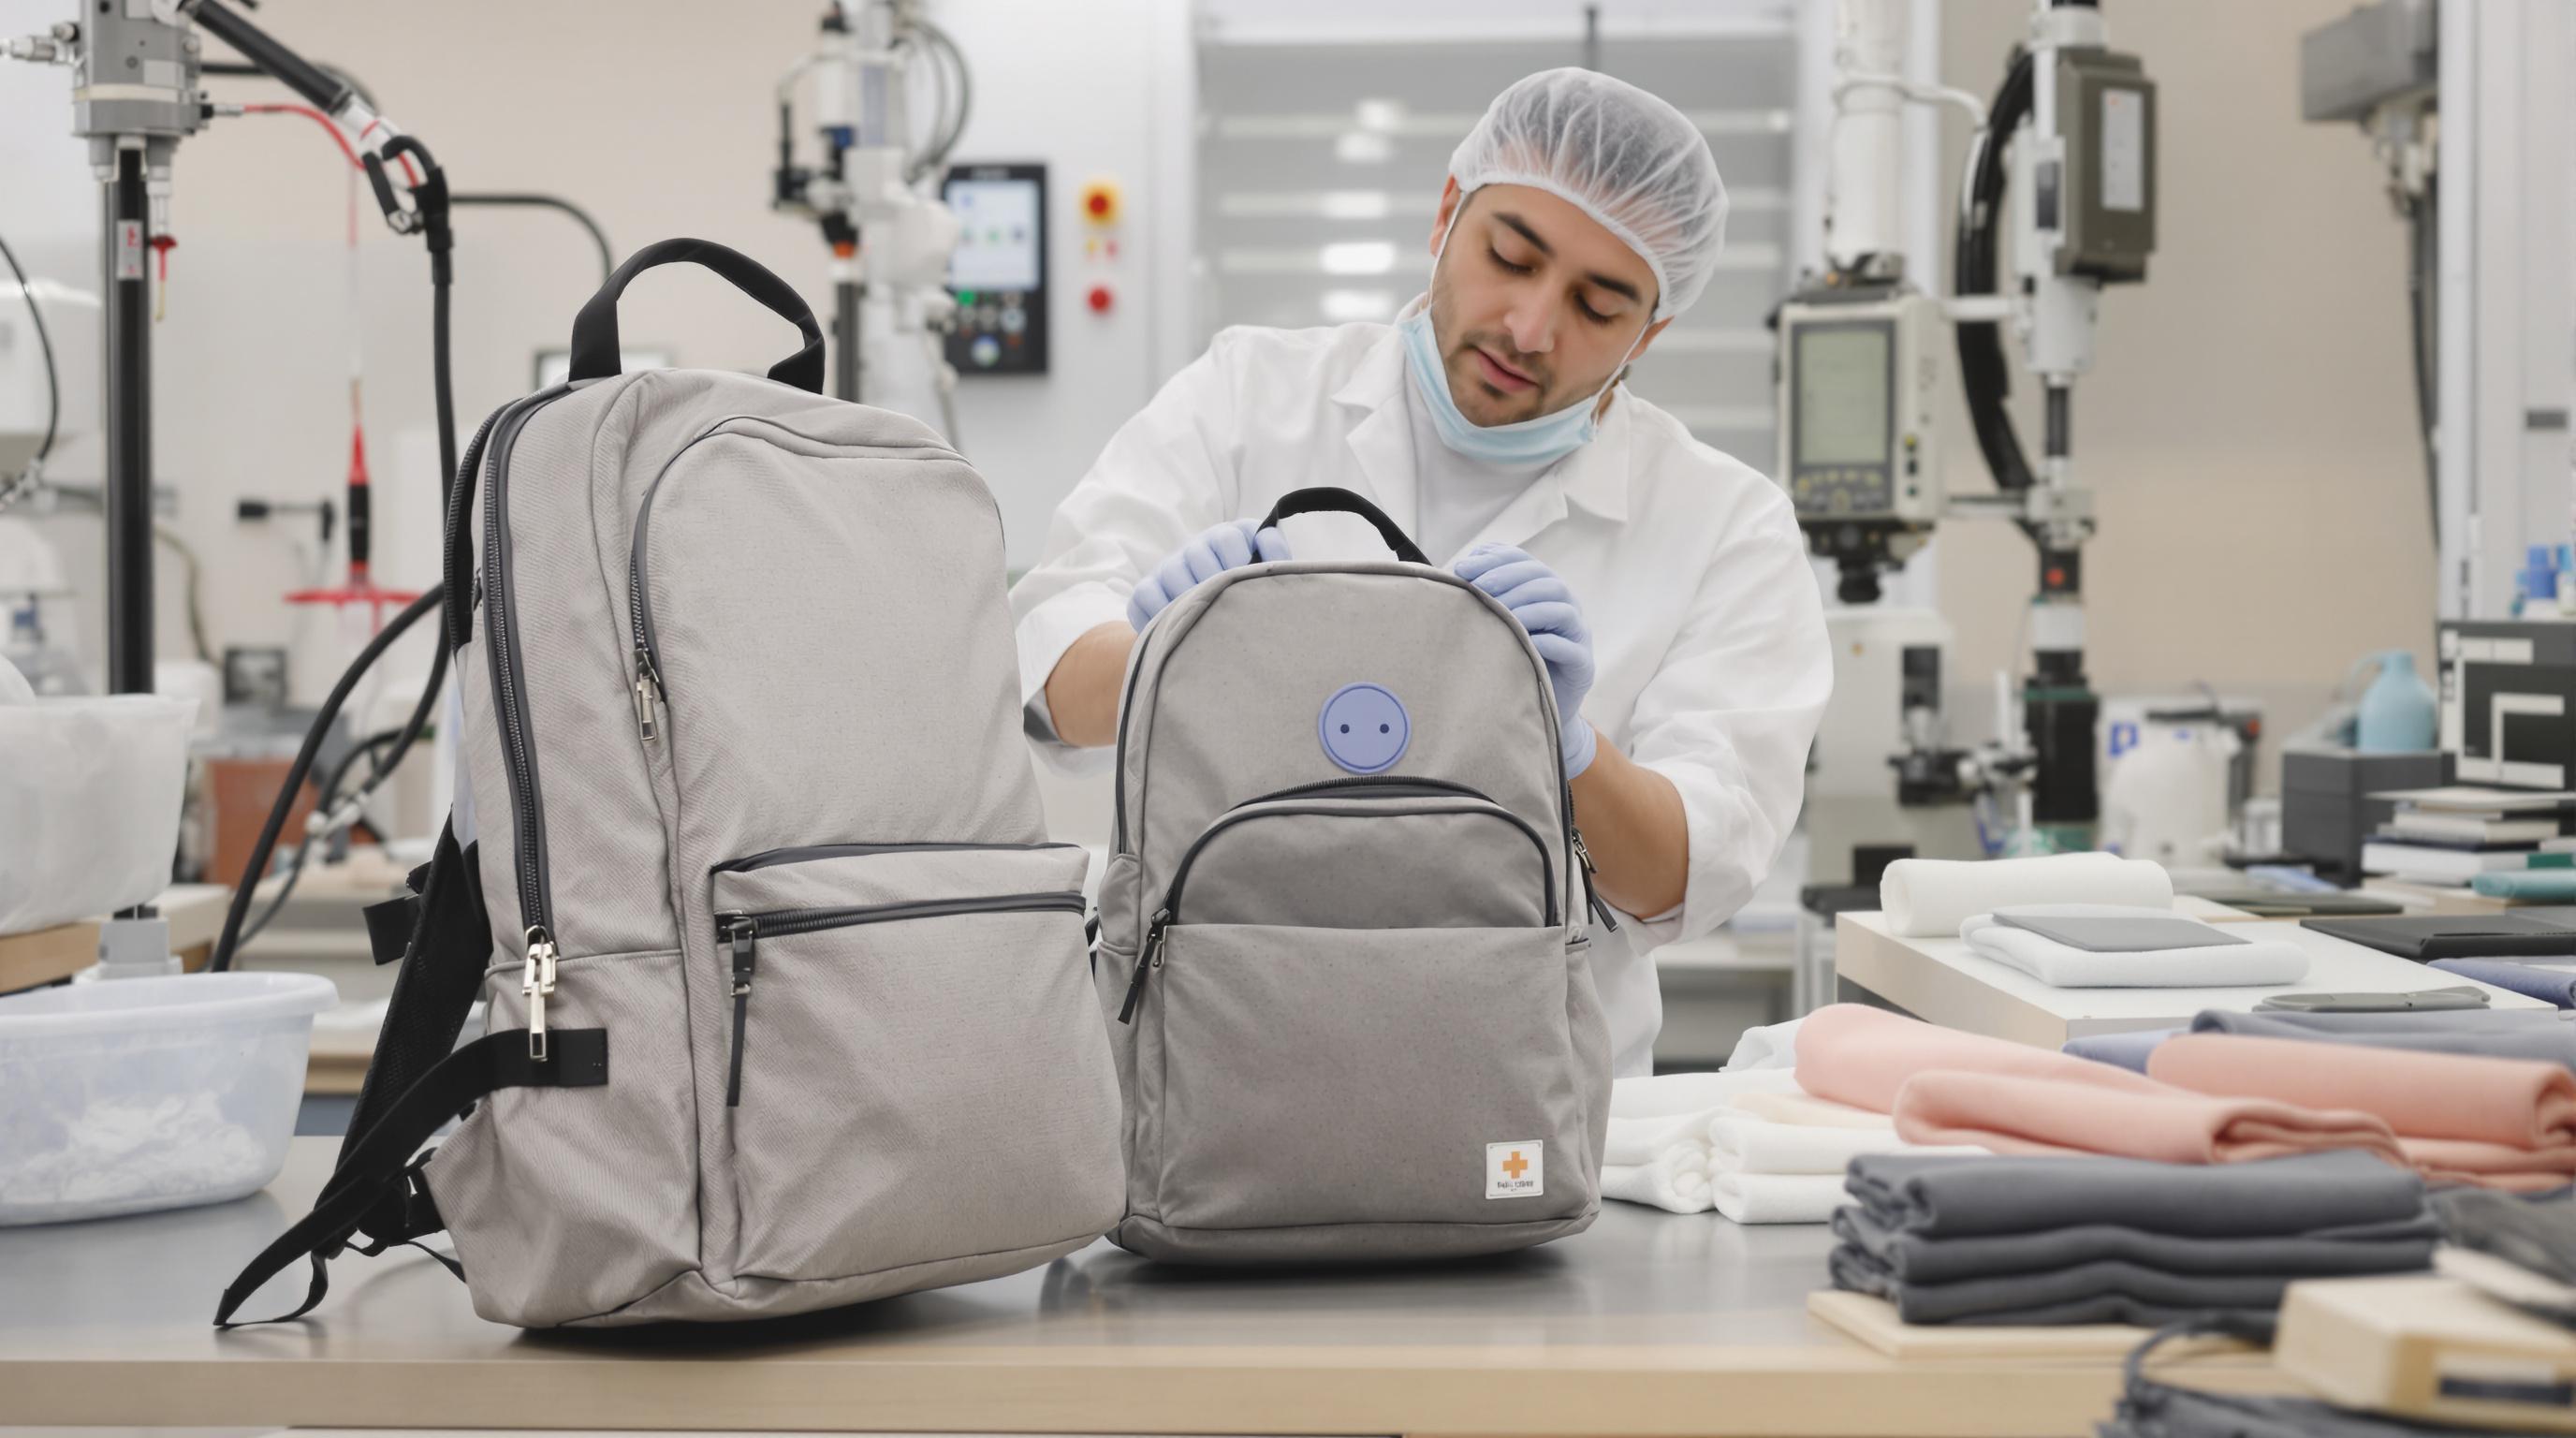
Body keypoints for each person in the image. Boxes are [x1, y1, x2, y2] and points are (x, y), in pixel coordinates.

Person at [1010, 67, 1831, 1076]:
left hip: (1536, 1102)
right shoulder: (1249, 396)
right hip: (1207, 1076)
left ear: (1650, 334)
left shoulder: (1723, 525)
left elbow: (1685, 871)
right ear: (1447, 212)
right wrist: (1162, 656)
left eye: (1599, 305)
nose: (1531, 328)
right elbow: (1044, 669)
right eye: (1510, 257)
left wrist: (1565, 748)